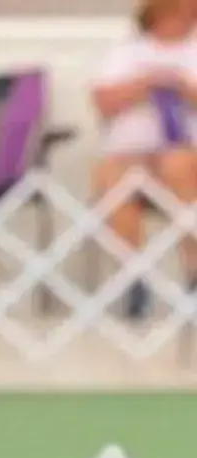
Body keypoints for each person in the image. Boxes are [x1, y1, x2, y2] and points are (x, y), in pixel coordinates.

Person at [91, 0, 197, 318]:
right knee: (112, 176)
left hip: (187, 153)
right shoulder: (126, 52)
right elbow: (104, 101)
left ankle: (194, 272)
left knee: (177, 164)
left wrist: (181, 87)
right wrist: (146, 83)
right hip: (131, 154)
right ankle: (134, 277)